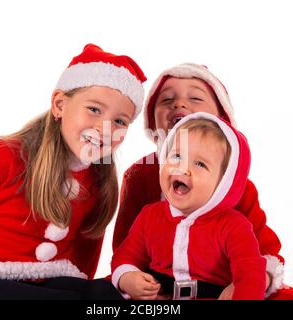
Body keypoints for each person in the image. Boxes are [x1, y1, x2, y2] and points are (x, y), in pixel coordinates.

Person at [0, 44, 146, 300]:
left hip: (49, 280)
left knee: (108, 294)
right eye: (94, 109)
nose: (105, 128)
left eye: (120, 121)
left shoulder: (99, 180)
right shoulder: (5, 157)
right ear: (59, 105)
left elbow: (87, 250)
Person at [112, 63, 293, 299]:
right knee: (98, 293)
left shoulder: (236, 205)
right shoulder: (140, 177)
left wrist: (247, 285)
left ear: (221, 120)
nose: (179, 104)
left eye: (195, 97)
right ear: (153, 123)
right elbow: (125, 249)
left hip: (219, 287)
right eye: (167, 100)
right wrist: (129, 278)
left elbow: (260, 256)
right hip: (155, 286)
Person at [112, 112, 266, 300]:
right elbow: (126, 255)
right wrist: (127, 277)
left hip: (210, 295)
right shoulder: (150, 215)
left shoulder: (233, 226)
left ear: (224, 182)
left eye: (200, 164)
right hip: (158, 299)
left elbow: (251, 275)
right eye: (176, 156)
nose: (183, 168)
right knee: (97, 292)